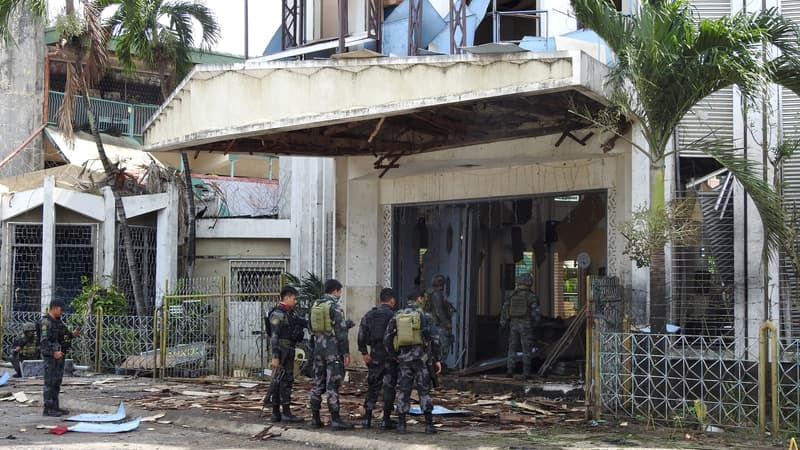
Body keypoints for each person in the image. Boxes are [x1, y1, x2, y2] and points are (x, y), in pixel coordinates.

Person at [384, 289, 442, 434]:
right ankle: (429, 425)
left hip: (403, 361)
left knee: (404, 390)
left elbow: (387, 338)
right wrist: (437, 359)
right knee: (424, 391)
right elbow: (436, 339)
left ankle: (402, 424)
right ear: (419, 299)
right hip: (421, 360)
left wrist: (394, 355)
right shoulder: (425, 315)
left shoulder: (397, 315)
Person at [308, 279, 353, 430]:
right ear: (335, 291)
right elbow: (341, 332)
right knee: (332, 385)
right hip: (333, 352)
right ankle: (335, 420)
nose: (340, 295)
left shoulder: (315, 306)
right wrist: (346, 352)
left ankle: (315, 419)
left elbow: (311, 328)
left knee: (317, 384)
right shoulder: (335, 307)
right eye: (339, 292)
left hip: (318, 350)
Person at [357, 288, 398, 429]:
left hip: (374, 357)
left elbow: (361, 334)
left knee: (373, 387)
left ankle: (366, 419)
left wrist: (364, 352)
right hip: (390, 358)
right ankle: (386, 420)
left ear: (380, 300)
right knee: (389, 388)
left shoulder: (370, 315)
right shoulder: (394, 316)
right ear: (392, 300)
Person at [266, 285, 307, 423]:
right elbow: (274, 337)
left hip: (289, 349)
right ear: (287, 297)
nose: (296, 301)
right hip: (282, 350)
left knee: (283, 381)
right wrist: (275, 357)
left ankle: (278, 413)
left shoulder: (289, 313)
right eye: (294, 298)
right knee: (283, 381)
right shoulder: (278, 314)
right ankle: (282, 413)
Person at [40, 299, 79, 417]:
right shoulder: (46, 323)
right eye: (61, 310)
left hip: (60, 355)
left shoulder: (58, 322)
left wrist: (73, 334)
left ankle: (55, 407)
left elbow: (65, 335)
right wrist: (53, 353)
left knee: (57, 382)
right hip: (51, 357)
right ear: (54, 308)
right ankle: (48, 408)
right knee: (49, 382)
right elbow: (44, 342)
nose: (62, 312)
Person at [499, 273, 541, 379]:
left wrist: (502, 323)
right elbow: (535, 312)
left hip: (513, 324)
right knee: (526, 349)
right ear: (529, 282)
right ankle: (526, 372)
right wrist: (537, 323)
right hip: (526, 325)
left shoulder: (511, 295)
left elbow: (505, 310)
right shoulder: (531, 296)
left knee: (512, 347)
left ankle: (509, 370)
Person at [427, 274, 454, 363]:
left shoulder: (431, 293)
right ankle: (440, 365)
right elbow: (439, 311)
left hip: (433, 324)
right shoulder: (437, 294)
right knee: (444, 344)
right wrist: (447, 323)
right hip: (439, 325)